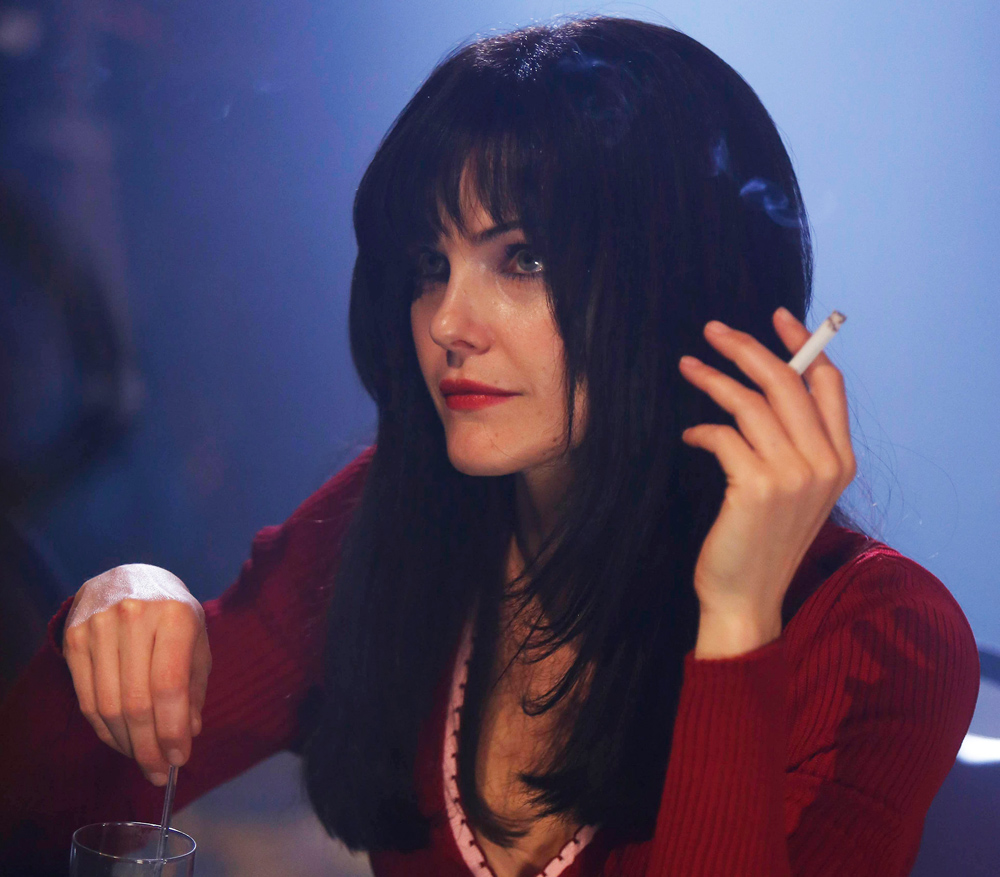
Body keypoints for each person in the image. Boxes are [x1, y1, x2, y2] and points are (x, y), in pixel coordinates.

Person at [0, 16, 980, 877]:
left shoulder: (881, 636)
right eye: (431, 263)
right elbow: (36, 802)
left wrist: (735, 620)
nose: (446, 322)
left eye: (524, 258)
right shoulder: (395, 519)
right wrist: (122, 599)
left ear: (678, 281)